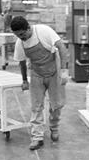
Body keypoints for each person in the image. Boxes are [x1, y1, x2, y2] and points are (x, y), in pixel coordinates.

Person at [11, 16, 69, 150]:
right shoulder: (20, 43)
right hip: (37, 74)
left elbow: (61, 47)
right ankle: (37, 137)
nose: (21, 38)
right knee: (36, 107)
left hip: (54, 72)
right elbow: (21, 62)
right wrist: (24, 80)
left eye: (22, 34)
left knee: (56, 104)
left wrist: (64, 70)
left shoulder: (44, 31)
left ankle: (54, 128)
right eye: (18, 36)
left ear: (28, 28)